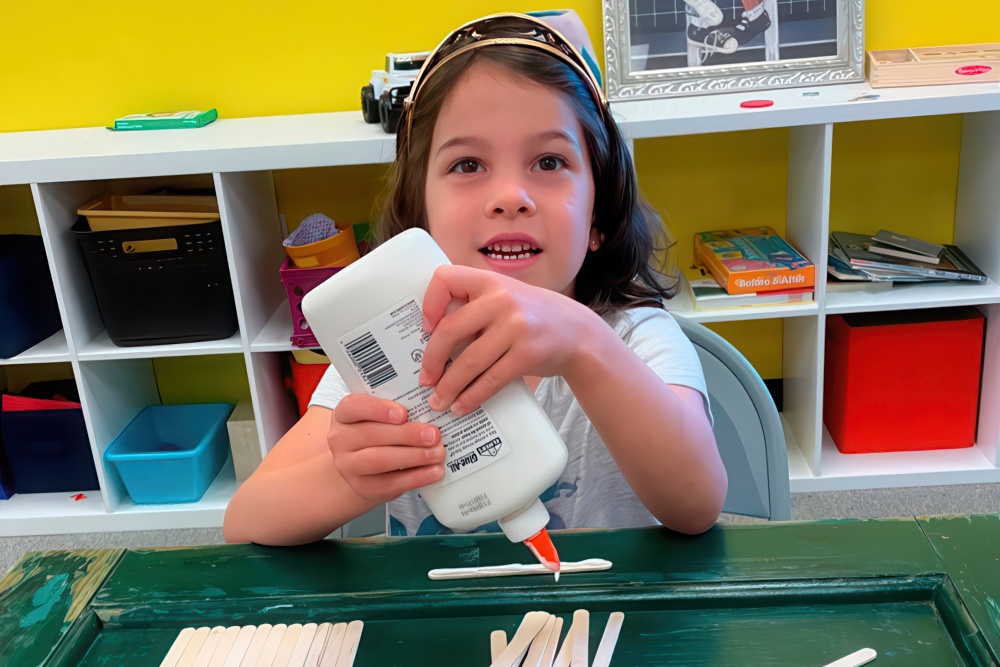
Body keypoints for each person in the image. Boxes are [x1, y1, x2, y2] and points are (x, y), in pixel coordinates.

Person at [223, 10, 727, 546]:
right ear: (421, 216)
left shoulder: (634, 336)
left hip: (607, 620)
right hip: (446, 623)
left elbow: (695, 506)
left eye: (549, 161)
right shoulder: (389, 348)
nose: (510, 196)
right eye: (468, 165)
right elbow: (245, 522)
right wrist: (350, 477)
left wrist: (584, 344)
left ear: (598, 219)